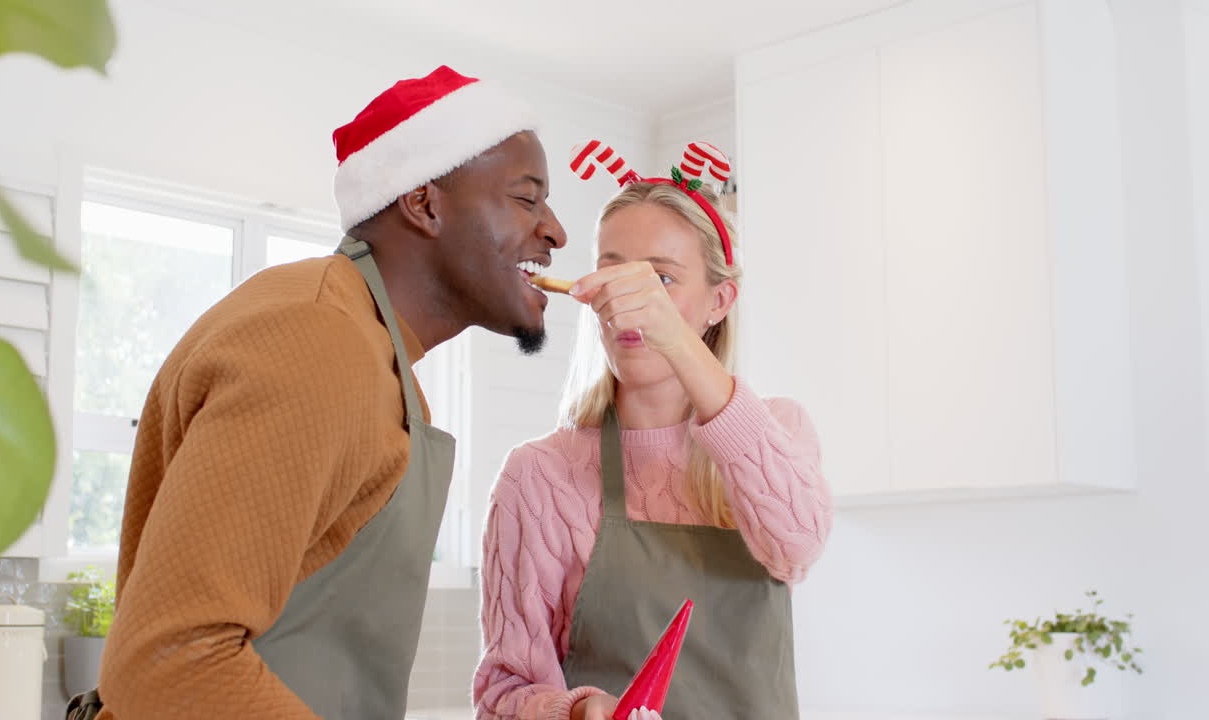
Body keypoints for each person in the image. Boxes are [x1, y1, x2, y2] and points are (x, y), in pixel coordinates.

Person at [75, 66, 568, 720]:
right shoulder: (316, 339)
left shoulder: (377, 359)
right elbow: (173, 658)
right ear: (424, 205)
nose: (557, 231)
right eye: (527, 199)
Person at [472, 142, 833, 720]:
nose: (628, 302)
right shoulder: (539, 476)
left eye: (661, 279)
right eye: (613, 274)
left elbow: (798, 541)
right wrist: (580, 711)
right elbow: (500, 694)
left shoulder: (779, 429)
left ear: (719, 301)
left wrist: (677, 342)